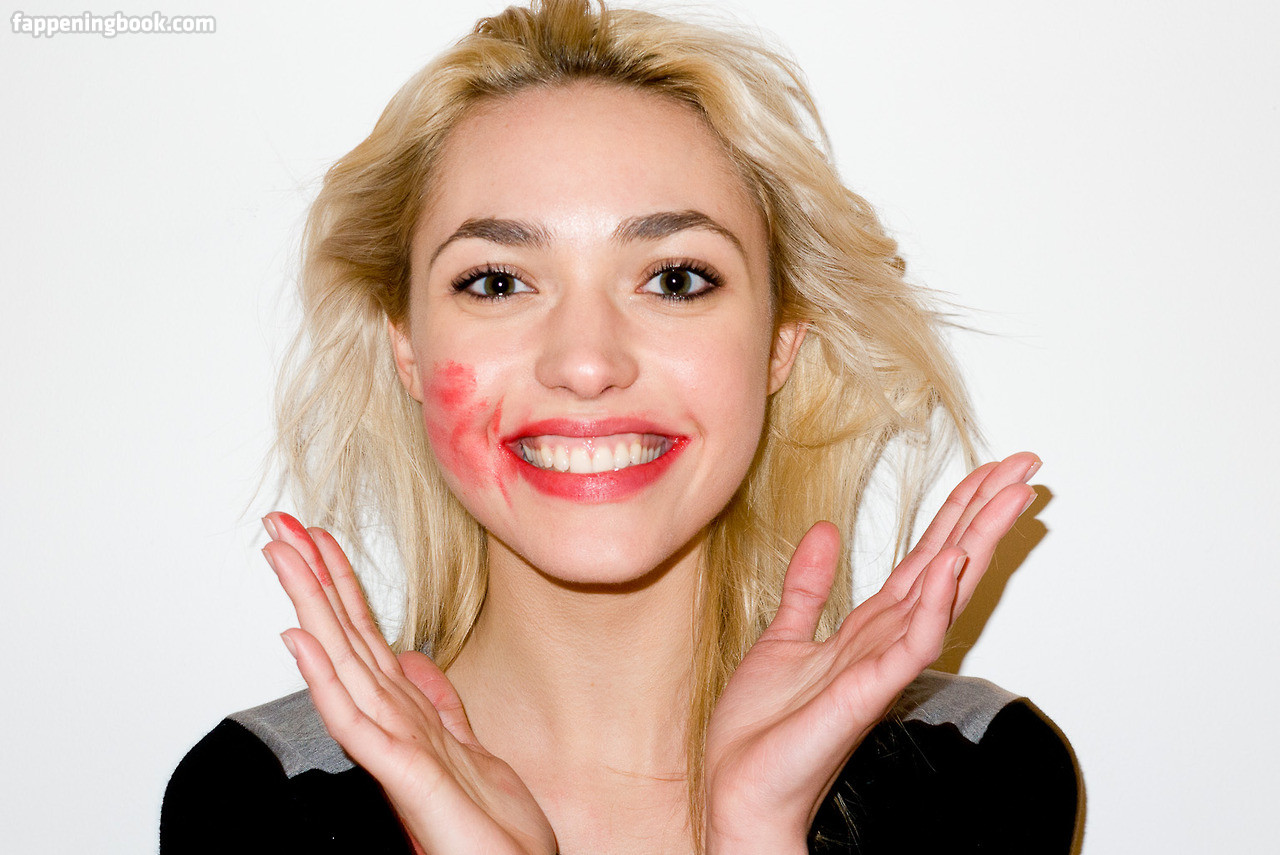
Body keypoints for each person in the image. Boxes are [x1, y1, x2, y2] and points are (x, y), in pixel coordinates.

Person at [161, 1, 1079, 852]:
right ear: (406, 346)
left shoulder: (975, 772)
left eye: (675, 279)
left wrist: (757, 831)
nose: (587, 361)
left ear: (778, 346)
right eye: (497, 281)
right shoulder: (258, 799)